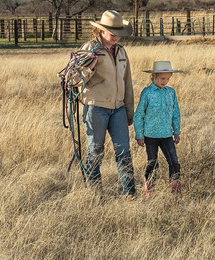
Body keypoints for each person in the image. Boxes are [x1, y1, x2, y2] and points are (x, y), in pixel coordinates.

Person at [76, 10, 136, 200]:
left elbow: (127, 82)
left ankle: (130, 194)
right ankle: (94, 193)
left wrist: (129, 110)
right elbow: (74, 79)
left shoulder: (121, 51)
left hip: (118, 108)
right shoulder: (90, 48)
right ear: (100, 31)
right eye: (111, 32)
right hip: (96, 107)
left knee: (123, 151)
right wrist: (89, 68)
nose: (115, 36)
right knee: (96, 150)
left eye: (118, 32)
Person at [133, 61, 182, 197]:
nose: (165, 81)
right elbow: (139, 114)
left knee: (174, 162)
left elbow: (175, 113)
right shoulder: (147, 93)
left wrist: (176, 131)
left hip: (166, 134)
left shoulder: (171, 92)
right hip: (150, 135)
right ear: (154, 76)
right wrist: (139, 135)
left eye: (167, 78)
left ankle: (176, 193)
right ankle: (150, 191)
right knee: (153, 163)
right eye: (162, 78)